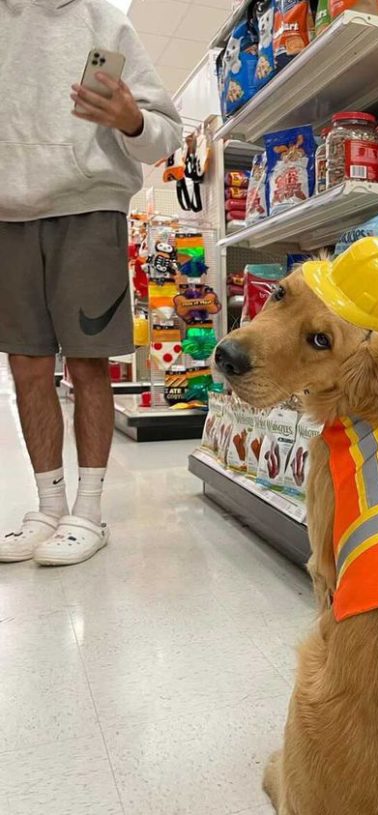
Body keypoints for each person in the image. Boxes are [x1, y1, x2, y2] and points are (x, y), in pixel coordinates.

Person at [0, 0, 181, 566]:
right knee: (25, 364)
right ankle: (48, 506)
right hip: (7, 214)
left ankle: (91, 510)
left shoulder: (103, 18)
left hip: (89, 207)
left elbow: (165, 135)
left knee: (87, 361)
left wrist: (130, 119)